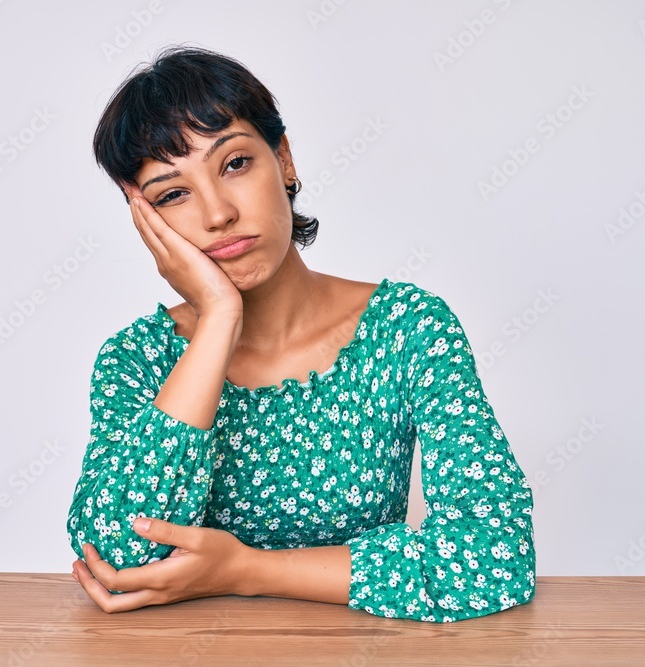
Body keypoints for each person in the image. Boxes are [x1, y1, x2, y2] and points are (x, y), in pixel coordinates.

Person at [66, 44, 535, 622]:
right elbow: (115, 559)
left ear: (284, 160)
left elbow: (494, 557)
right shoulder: (138, 359)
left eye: (234, 164)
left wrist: (246, 571)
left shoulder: (407, 328)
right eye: (173, 194)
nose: (217, 214)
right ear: (146, 221)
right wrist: (218, 319)